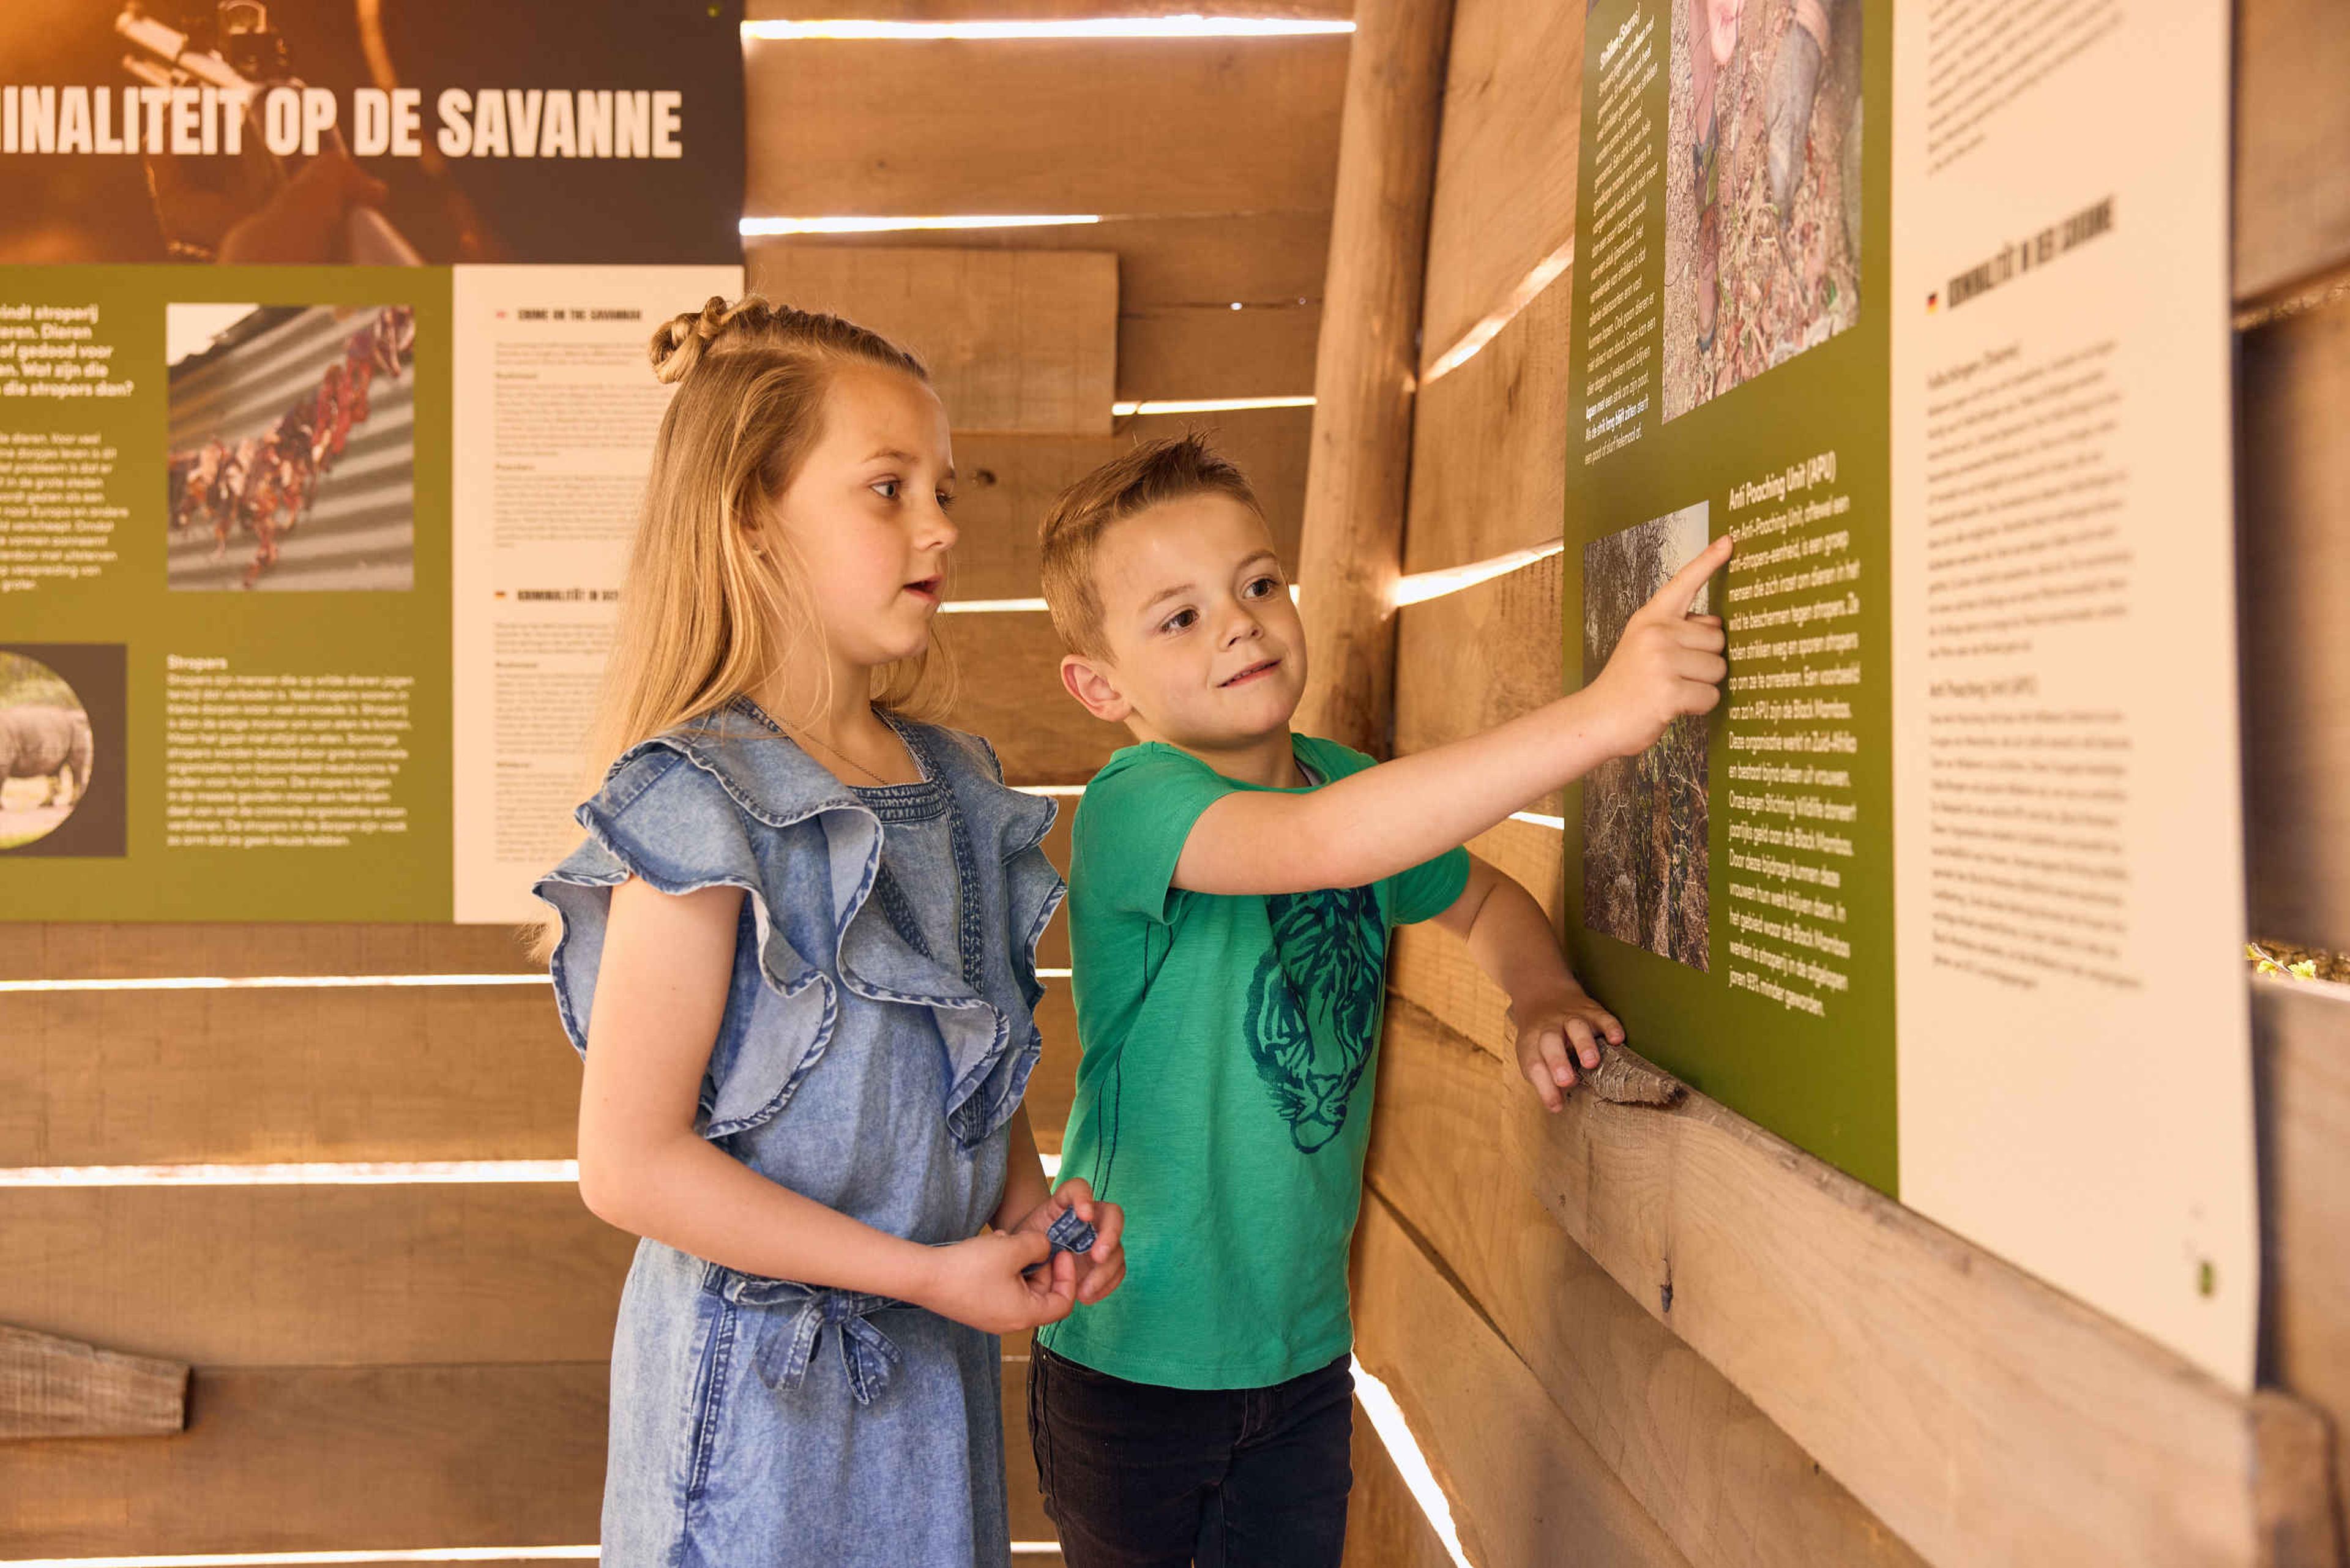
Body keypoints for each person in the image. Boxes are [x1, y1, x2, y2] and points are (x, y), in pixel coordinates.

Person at [1027, 435, 1729, 1567]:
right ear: (1101, 686)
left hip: (1302, 1355)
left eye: (1259, 584)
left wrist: (1539, 989)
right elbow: (1321, 845)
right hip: (1134, 1359)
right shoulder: (1135, 805)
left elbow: (1481, 896)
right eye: (1182, 617)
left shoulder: (1347, 783)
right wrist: (1604, 716)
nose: (1240, 624)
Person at [532, 294, 1126, 1567]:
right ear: (752, 517)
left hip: (929, 1384)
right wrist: (923, 1274)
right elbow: (627, 1166)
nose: (940, 525)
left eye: (944, 491)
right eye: (888, 489)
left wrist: (1031, 1219)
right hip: (754, 1419)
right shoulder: (699, 800)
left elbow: (966, 1068)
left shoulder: (957, 785)